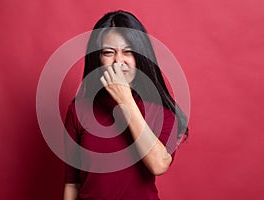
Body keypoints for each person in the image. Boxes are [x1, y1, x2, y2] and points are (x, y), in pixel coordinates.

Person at [63, 10, 188, 200]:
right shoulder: (78, 111)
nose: (118, 61)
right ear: (98, 59)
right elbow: (72, 183)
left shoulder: (161, 112)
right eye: (108, 52)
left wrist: (125, 100)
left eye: (128, 52)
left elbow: (159, 164)